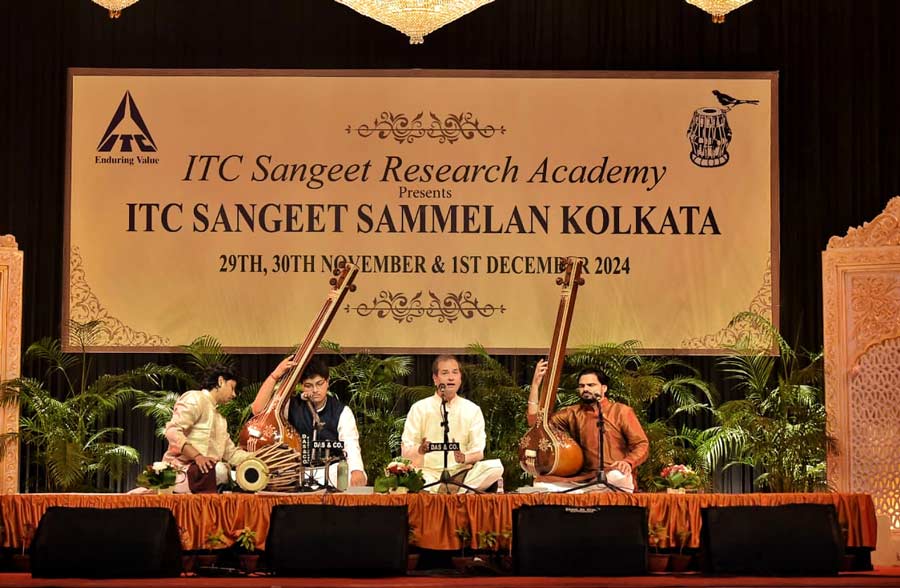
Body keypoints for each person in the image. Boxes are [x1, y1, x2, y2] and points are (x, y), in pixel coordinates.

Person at [527, 360, 649, 492]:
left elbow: (642, 444)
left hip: (613, 473)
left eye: (591, 385)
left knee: (616, 476)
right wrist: (535, 385)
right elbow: (536, 424)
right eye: (582, 386)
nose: (585, 389)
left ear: (604, 388)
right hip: (585, 478)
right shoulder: (573, 413)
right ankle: (590, 490)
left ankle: (587, 492)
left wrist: (628, 462)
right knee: (541, 483)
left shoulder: (621, 411)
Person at [251, 357, 367, 487]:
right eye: (308, 385)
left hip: (330, 471)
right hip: (297, 471)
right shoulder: (291, 405)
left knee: (352, 475)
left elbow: (351, 444)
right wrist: (275, 375)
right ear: (301, 386)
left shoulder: (342, 411)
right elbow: (258, 410)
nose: (315, 390)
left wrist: (356, 470)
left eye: (319, 383)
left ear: (327, 381)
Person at [401, 355, 503, 493]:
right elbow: (406, 450)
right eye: (445, 373)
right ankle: (457, 491)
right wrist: (420, 449)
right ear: (435, 378)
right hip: (428, 473)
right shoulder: (419, 408)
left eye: (455, 372)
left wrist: (464, 458)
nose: (451, 378)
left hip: (461, 474)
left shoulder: (472, 409)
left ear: (460, 378)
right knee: (411, 476)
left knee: (495, 467)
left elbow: (478, 451)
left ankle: (446, 490)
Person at [162, 364, 253, 493]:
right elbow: (172, 431)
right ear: (220, 381)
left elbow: (231, 453)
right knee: (220, 471)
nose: (234, 394)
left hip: (207, 474)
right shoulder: (195, 398)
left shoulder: (220, 418)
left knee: (234, 476)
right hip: (183, 470)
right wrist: (197, 456)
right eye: (232, 388)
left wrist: (260, 458)